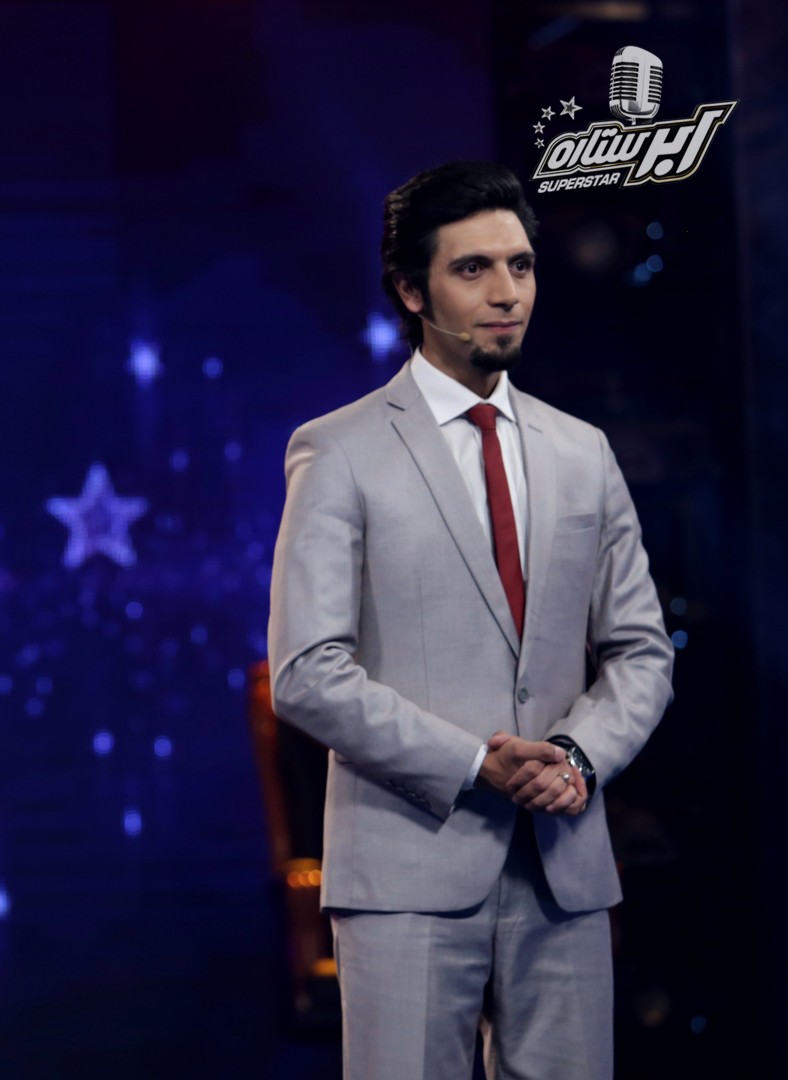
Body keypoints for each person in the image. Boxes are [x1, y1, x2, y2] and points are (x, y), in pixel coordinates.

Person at [267, 160, 673, 1078]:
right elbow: (305, 671)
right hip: (406, 870)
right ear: (412, 290)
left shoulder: (583, 451)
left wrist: (575, 756)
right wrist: (470, 762)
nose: (506, 293)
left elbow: (642, 651)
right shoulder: (339, 450)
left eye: (520, 266)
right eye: (473, 268)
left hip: (564, 869)